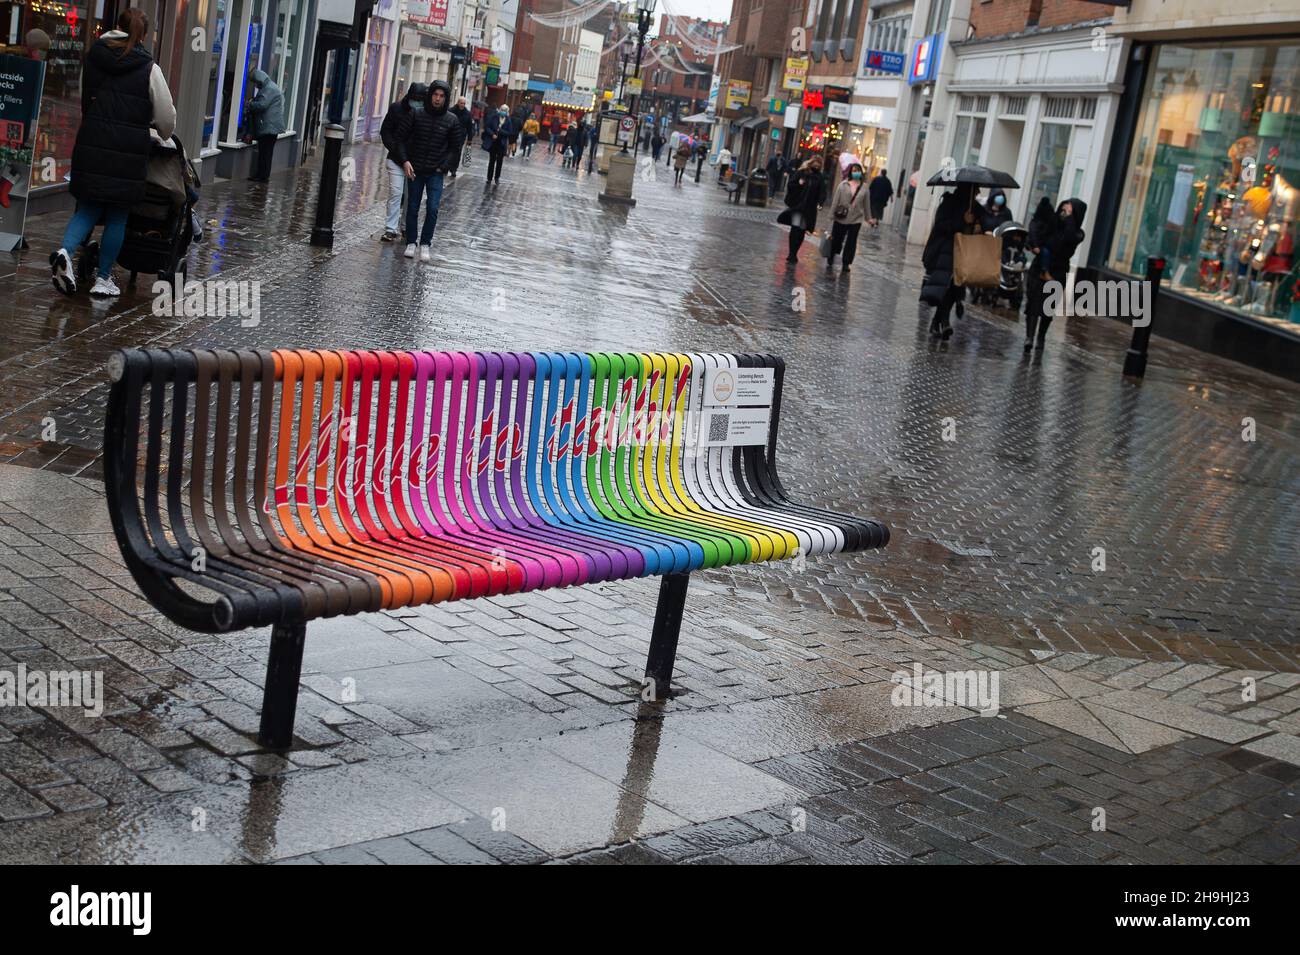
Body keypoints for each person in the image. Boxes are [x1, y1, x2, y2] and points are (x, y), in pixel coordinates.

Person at [49, 8, 176, 298]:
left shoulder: (94, 56)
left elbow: (84, 99)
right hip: (128, 153)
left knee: (89, 206)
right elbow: (167, 119)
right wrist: (160, 133)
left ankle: (65, 252)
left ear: (116, 26)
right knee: (118, 215)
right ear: (143, 35)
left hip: (92, 144)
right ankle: (104, 278)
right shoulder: (149, 68)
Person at [391, 79, 463, 261]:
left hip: (435, 172)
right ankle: (411, 242)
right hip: (415, 169)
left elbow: (456, 148)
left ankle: (425, 244)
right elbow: (400, 139)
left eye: (441, 96)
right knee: (412, 206)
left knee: (432, 208)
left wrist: (444, 167)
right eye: (435, 95)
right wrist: (405, 161)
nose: (437, 99)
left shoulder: (451, 120)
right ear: (430, 95)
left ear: (446, 99)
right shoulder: (416, 114)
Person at [1024, 197, 1087, 350]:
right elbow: (1036, 231)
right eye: (1063, 209)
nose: (1064, 213)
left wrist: (1070, 218)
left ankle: (1041, 337)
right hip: (1039, 268)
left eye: (1069, 211)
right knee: (1033, 304)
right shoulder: (1052, 224)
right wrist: (1031, 244)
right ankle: (1029, 338)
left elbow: (1066, 240)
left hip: (1057, 272)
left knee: (1048, 307)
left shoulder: (1078, 233)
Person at [920, 182, 982, 339]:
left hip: (964, 254)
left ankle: (937, 321)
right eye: (975, 190)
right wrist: (963, 222)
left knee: (955, 289)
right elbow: (941, 225)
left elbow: (984, 221)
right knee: (947, 287)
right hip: (945, 252)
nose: (978, 193)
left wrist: (977, 225)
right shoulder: (949, 203)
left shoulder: (975, 208)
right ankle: (944, 322)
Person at [378, 85, 423, 242]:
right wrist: (396, 150)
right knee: (396, 193)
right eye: (414, 99)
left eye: (420, 100)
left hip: (416, 162)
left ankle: (405, 227)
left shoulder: (424, 114)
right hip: (396, 159)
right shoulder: (396, 109)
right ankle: (391, 229)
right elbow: (385, 132)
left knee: (410, 196)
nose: (416, 103)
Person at [827, 162, 870, 274]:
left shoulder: (864, 187)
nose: (856, 172)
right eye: (854, 170)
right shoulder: (843, 184)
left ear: (861, 172)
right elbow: (836, 201)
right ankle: (831, 255)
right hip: (841, 216)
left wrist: (869, 218)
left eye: (858, 170)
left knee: (851, 242)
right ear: (851, 172)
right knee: (837, 239)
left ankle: (846, 263)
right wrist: (831, 215)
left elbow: (866, 205)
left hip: (856, 219)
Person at [779, 156, 825, 263]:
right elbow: (791, 185)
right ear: (811, 162)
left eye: (819, 164)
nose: (817, 165)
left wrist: (820, 203)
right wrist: (798, 184)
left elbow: (822, 192)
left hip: (809, 210)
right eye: (815, 163)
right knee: (795, 229)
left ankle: (795, 252)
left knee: (801, 231)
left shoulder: (819, 177)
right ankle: (791, 253)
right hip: (798, 206)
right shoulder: (802, 172)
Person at [247, 69, 286, 182]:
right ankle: (263, 175)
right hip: (270, 127)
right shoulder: (270, 86)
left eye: (255, 82)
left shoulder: (268, 89)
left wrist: (250, 104)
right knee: (266, 153)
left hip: (269, 128)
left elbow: (262, 105)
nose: (255, 85)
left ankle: (261, 176)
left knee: (265, 153)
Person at [482, 104, 512, 185]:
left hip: (502, 144)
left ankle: (497, 178)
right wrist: (492, 134)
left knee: (499, 162)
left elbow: (509, 132)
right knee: (492, 161)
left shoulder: (508, 120)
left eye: (505, 110)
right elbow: (487, 127)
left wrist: (500, 131)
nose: (503, 112)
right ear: (500, 109)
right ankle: (489, 178)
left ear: (507, 112)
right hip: (493, 142)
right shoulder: (494, 117)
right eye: (502, 110)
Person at [448, 96, 473, 176]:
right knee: (448, 150)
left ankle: (454, 169)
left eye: (464, 103)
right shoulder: (451, 111)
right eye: (461, 103)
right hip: (450, 134)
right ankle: (445, 166)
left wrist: (470, 138)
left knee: (457, 153)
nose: (462, 105)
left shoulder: (467, 113)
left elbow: (470, 127)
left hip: (461, 136)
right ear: (458, 103)